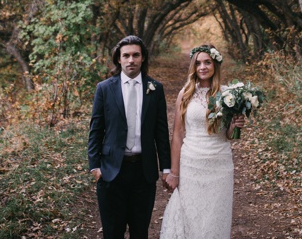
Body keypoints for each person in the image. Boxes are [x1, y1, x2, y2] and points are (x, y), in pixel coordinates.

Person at [88, 35, 171, 239]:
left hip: (144, 172)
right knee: (112, 232)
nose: (131, 60)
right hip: (111, 172)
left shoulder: (155, 88)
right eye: (126, 55)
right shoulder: (105, 88)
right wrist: (95, 167)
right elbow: (96, 130)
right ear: (119, 59)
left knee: (139, 232)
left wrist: (166, 168)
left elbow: (161, 132)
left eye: (136, 55)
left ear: (143, 58)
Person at [159, 44, 245, 239]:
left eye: (207, 62)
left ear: (215, 64)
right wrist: (174, 172)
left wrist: (235, 125)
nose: (202, 67)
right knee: (191, 217)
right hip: (191, 163)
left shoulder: (228, 95)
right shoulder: (186, 94)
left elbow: (229, 135)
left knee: (215, 218)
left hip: (220, 165)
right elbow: (178, 134)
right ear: (193, 67)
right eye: (198, 63)